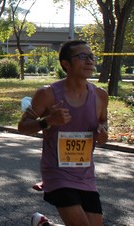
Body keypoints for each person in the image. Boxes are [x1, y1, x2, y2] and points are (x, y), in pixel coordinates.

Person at [18, 40, 108, 226]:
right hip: (57, 172)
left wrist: (103, 132)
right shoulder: (48, 94)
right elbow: (23, 126)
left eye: (91, 57)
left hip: (85, 173)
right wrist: (48, 121)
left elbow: (103, 122)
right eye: (82, 57)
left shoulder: (100, 95)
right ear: (66, 64)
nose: (90, 61)